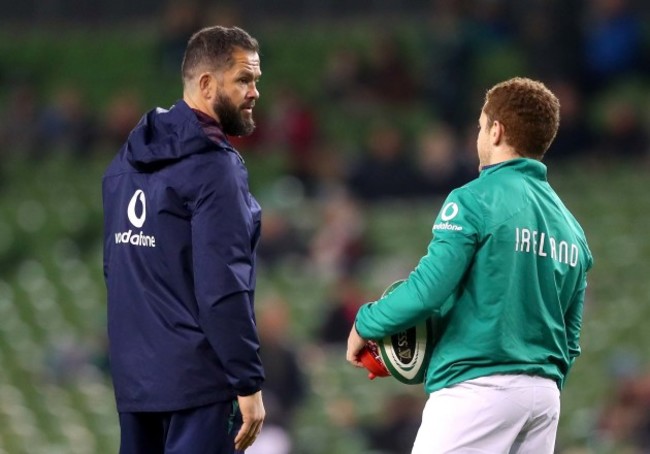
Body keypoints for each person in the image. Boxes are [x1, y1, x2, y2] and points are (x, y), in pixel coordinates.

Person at [347, 77, 593, 453]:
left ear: (496, 131)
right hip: (544, 399)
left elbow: (429, 289)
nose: (478, 135)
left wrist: (367, 322)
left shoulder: (474, 199)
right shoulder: (571, 228)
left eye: (480, 125)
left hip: (478, 390)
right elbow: (570, 338)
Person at [102, 25, 265, 453]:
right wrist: (247, 381)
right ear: (207, 84)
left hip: (136, 385)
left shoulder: (124, 162)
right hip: (198, 386)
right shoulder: (216, 170)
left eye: (256, 81)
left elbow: (114, 270)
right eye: (244, 79)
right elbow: (223, 285)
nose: (254, 92)